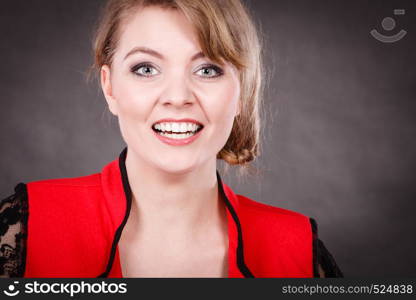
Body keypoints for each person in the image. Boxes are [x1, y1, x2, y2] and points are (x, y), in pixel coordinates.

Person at [0, 0, 343, 278]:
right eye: (146, 68)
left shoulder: (298, 249)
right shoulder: (25, 226)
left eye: (208, 69)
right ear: (109, 87)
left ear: (242, 91)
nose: (178, 97)